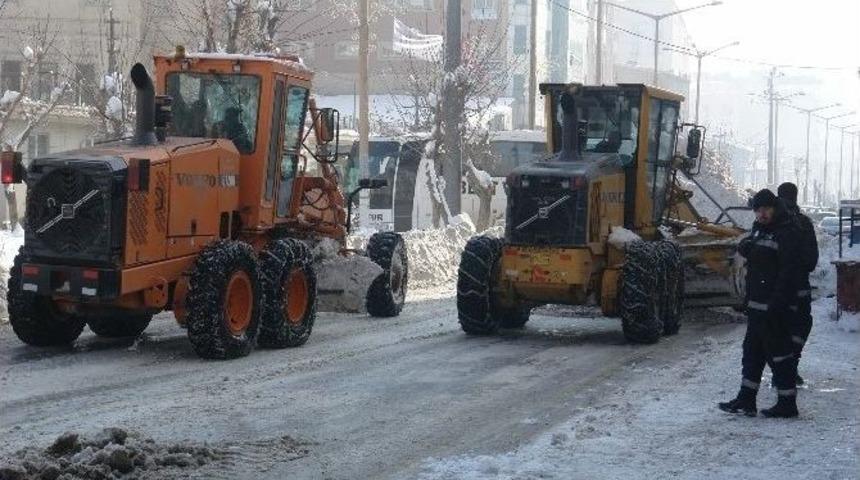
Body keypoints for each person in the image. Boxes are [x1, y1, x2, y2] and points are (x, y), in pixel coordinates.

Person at [719, 189, 802, 418]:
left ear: (774, 208)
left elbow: (788, 272)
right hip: (756, 304)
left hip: (775, 307)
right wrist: (748, 246)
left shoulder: (787, 231)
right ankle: (746, 399)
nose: (761, 214)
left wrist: (778, 302)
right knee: (752, 352)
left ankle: (787, 403)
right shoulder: (760, 229)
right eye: (757, 210)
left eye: (765, 209)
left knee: (779, 353)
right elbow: (756, 259)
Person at [777, 182, 818, 385]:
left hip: (775, 291)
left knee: (779, 329)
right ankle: (791, 366)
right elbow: (811, 261)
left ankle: (782, 369)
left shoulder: (769, 224)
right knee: (801, 326)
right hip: (799, 289)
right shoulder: (804, 224)